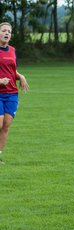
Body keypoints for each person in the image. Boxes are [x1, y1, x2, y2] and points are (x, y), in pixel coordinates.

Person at [0, 22, 29, 164]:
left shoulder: (12, 50)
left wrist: (20, 76)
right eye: (4, 30)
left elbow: (12, 71)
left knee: (6, 125)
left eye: (9, 31)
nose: (7, 33)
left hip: (11, 93)